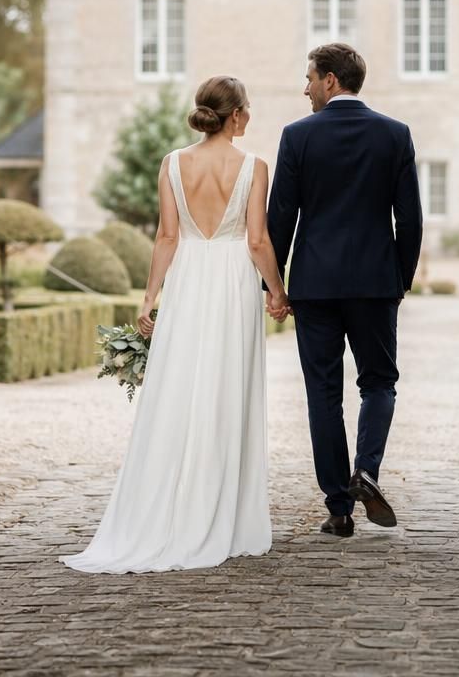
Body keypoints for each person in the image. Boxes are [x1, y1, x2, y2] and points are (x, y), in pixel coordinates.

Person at [59, 75, 285, 573]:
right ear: (236, 115)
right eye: (247, 108)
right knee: (227, 388)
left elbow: (166, 235)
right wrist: (277, 291)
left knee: (180, 386)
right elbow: (256, 241)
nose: (249, 116)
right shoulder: (253, 167)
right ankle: (223, 515)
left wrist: (150, 297)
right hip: (232, 282)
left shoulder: (172, 163)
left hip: (188, 281)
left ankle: (169, 509)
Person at [267, 43, 424, 537]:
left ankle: (339, 509)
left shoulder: (297, 136)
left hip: (314, 285)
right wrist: (399, 280)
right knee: (379, 383)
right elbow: (411, 220)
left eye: (310, 78)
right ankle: (367, 470)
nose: (306, 88)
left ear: (330, 80)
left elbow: (280, 219)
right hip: (375, 283)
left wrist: (273, 285)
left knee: (323, 394)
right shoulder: (395, 134)